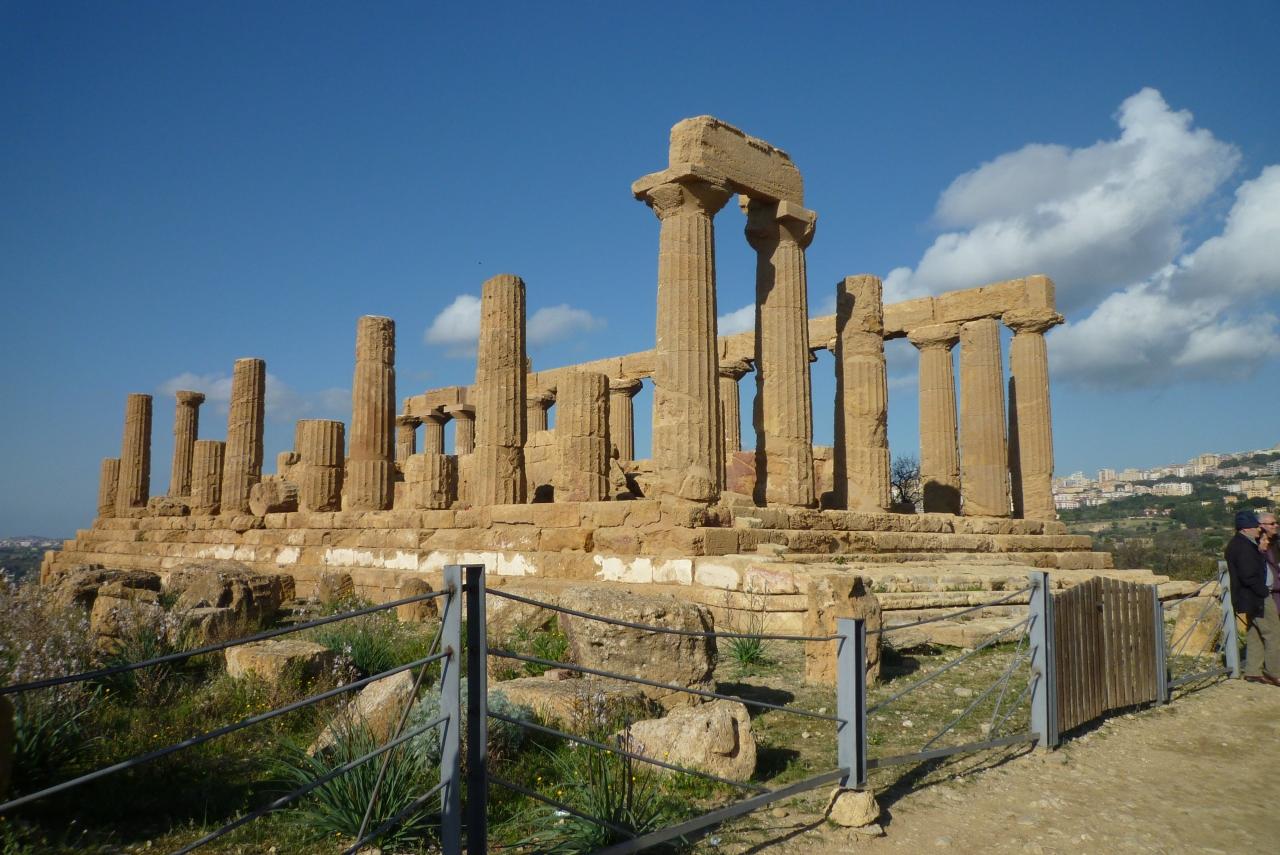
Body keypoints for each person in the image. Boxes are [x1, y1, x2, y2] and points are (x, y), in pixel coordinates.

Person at [1226, 509, 1280, 685]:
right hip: (1257, 596)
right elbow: (1248, 575)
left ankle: (1253, 671)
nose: (1259, 529)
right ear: (1245, 528)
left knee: (1255, 633)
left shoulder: (1242, 543)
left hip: (1251, 596)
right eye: (1255, 526)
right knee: (1273, 633)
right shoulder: (1243, 547)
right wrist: (1263, 591)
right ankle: (1274, 672)